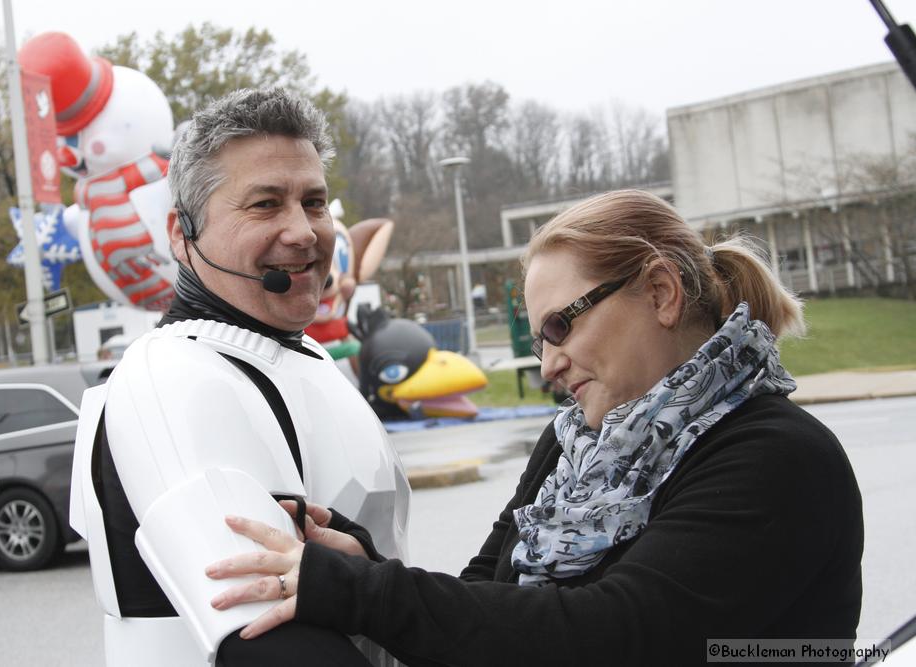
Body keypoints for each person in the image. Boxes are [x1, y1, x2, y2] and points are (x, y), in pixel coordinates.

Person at [206, 189, 864, 666]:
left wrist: (363, 591)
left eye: (560, 325)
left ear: (661, 293)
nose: (547, 361)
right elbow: (485, 597)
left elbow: (618, 633)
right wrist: (365, 567)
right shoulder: (574, 440)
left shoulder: (778, 456)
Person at [69, 88, 409, 666]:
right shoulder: (175, 375)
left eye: (315, 202)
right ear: (182, 234)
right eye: (265, 204)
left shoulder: (303, 359)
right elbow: (265, 641)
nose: (304, 232)